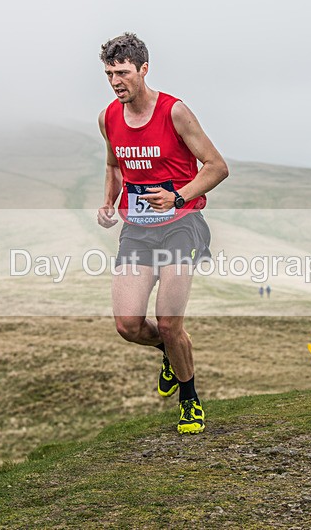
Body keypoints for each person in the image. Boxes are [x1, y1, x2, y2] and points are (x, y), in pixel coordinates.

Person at [96, 33, 229, 434]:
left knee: (170, 322)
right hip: (137, 230)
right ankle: (166, 354)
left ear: (143, 70)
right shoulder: (108, 118)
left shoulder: (175, 112)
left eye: (122, 73)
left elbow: (216, 166)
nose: (116, 81)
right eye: (109, 74)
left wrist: (177, 196)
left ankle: (189, 401)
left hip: (181, 226)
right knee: (128, 325)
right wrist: (108, 203)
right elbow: (115, 166)